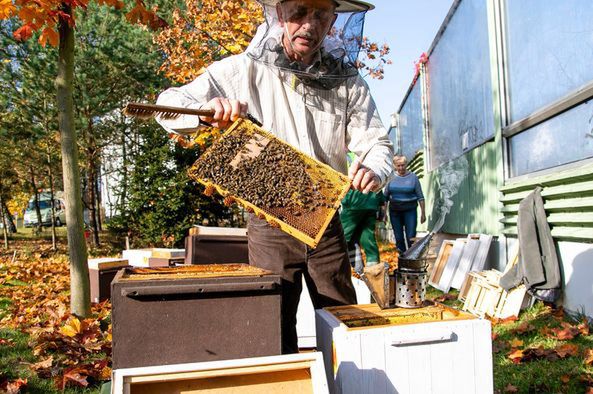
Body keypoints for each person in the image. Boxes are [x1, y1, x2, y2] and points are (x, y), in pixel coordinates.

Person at [156, 0, 393, 354]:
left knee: (344, 320)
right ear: (279, 15)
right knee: (273, 322)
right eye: (299, 13)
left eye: (320, 15)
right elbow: (167, 105)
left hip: (326, 220)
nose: (309, 25)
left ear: (333, 21)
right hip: (268, 221)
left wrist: (374, 167)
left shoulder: (348, 83)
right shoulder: (243, 70)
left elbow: (377, 142)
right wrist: (207, 113)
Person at [384, 155, 426, 253]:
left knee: (411, 237)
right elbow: (385, 198)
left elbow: (420, 197)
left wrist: (423, 213)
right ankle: (402, 259)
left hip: (410, 210)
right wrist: (384, 214)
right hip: (395, 212)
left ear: (406, 164)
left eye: (403, 165)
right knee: (398, 238)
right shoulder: (390, 178)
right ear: (395, 166)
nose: (401, 168)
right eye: (398, 166)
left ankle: (411, 258)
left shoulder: (413, 177)